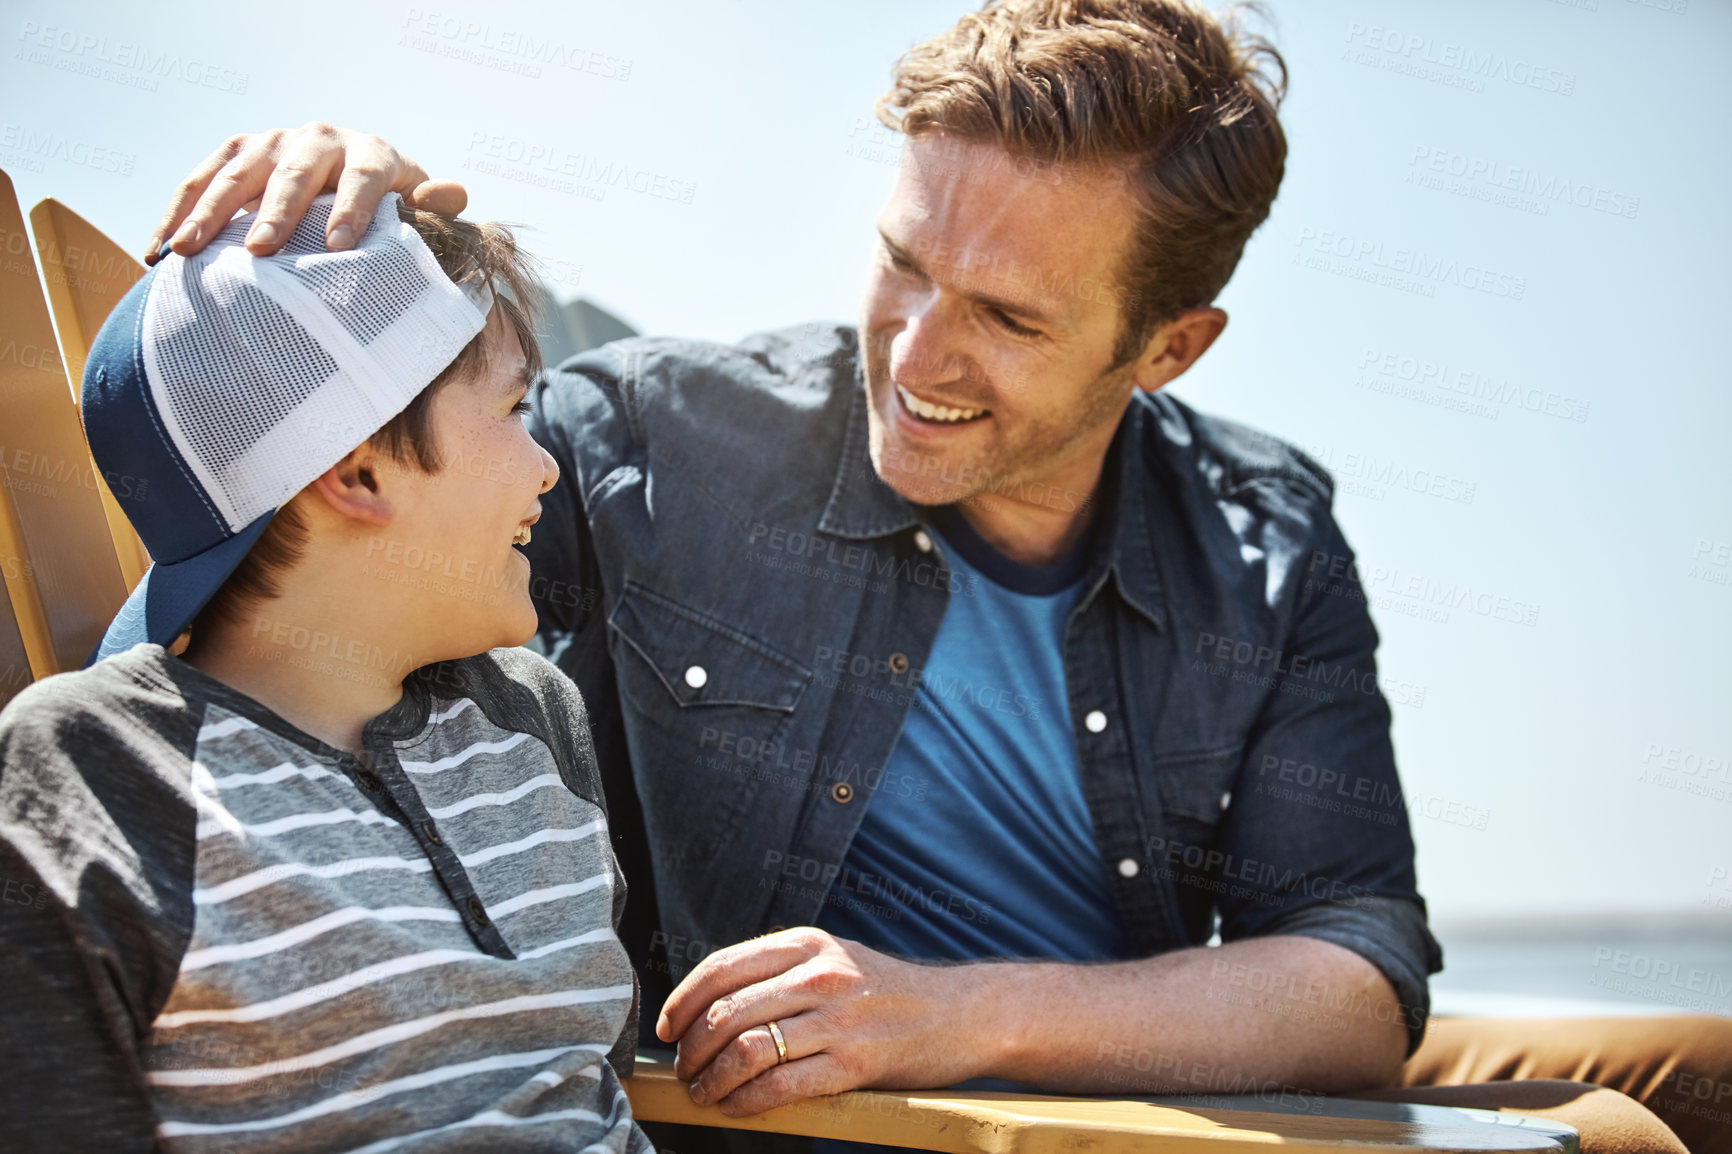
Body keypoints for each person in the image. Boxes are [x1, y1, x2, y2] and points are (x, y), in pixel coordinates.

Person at [145, 4, 1730, 1152]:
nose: (917, 353)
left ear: (1170, 348)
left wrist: (951, 1007)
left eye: (1009, 317)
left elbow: (1351, 975)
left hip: (1146, 1090)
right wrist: (340, 265)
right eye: (901, 261)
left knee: (1704, 1068)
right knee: (1630, 1137)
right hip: (866, 1132)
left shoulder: (1267, 531)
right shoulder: (648, 438)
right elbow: (332, 558)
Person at [0, 194, 650, 1151]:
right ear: (359, 470)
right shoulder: (94, 772)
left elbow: (596, 1080)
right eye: (514, 408)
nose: (546, 465)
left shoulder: (528, 718)